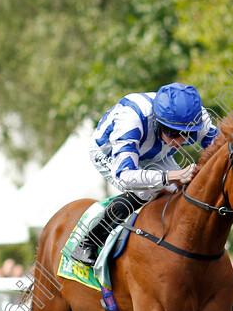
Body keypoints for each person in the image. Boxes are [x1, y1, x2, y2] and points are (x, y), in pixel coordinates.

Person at [69, 83, 220, 266]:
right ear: (156, 121)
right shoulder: (130, 119)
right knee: (144, 191)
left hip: (155, 153)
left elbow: (222, 154)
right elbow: (126, 176)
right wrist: (171, 176)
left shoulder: (198, 118)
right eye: (173, 133)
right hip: (109, 153)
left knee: (183, 191)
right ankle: (89, 242)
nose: (179, 141)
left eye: (187, 134)